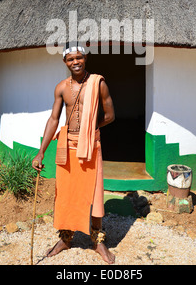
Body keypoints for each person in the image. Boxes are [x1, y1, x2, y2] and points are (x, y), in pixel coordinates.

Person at [32, 44, 115, 264]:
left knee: (95, 193)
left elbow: (110, 115)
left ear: (85, 58)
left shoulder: (98, 83)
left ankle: (97, 241)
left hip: (90, 145)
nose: (75, 62)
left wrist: (89, 128)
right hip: (67, 146)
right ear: (65, 62)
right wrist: (41, 152)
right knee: (67, 194)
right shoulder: (61, 87)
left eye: (79, 58)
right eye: (70, 59)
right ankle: (66, 238)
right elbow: (53, 120)